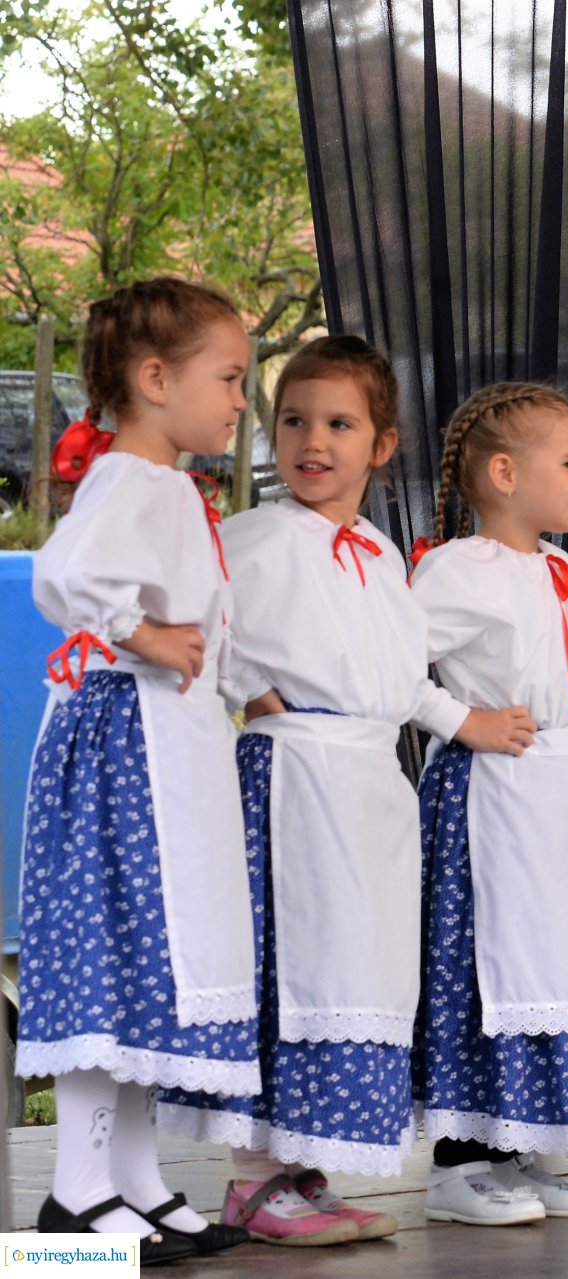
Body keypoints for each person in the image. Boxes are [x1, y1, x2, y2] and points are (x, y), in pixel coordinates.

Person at [155, 337, 534, 1243]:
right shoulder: (250, 536)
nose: (312, 440)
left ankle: (305, 1168)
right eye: (294, 420)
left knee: (359, 967)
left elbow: (402, 675)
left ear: (383, 444)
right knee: (294, 965)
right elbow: (196, 624)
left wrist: (463, 721)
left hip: (370, 784)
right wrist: (247, 684)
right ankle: (254, 1178)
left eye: (338, 423)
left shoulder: (376, 550)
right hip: (295, 777)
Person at [21, 277, 258, 1264]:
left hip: (169, 752)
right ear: (156, 379)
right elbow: (63, 576)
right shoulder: (132, 479)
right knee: (115, 960)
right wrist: (137, 630)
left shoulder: (166, 486)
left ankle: (130, 1177)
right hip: (129, 754)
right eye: (232, 378)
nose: (242, 400)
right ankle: (75, 1196)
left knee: (151, 969)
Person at [412, 382, 568, 1224]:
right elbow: (391, 665)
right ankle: (459, 1162)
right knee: (491, 967)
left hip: (564, 799)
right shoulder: (456, 571)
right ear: (506, 473)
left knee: (562, 965)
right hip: (497, 798)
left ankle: (521, 1144)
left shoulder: (563, 568)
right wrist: (462, 717)